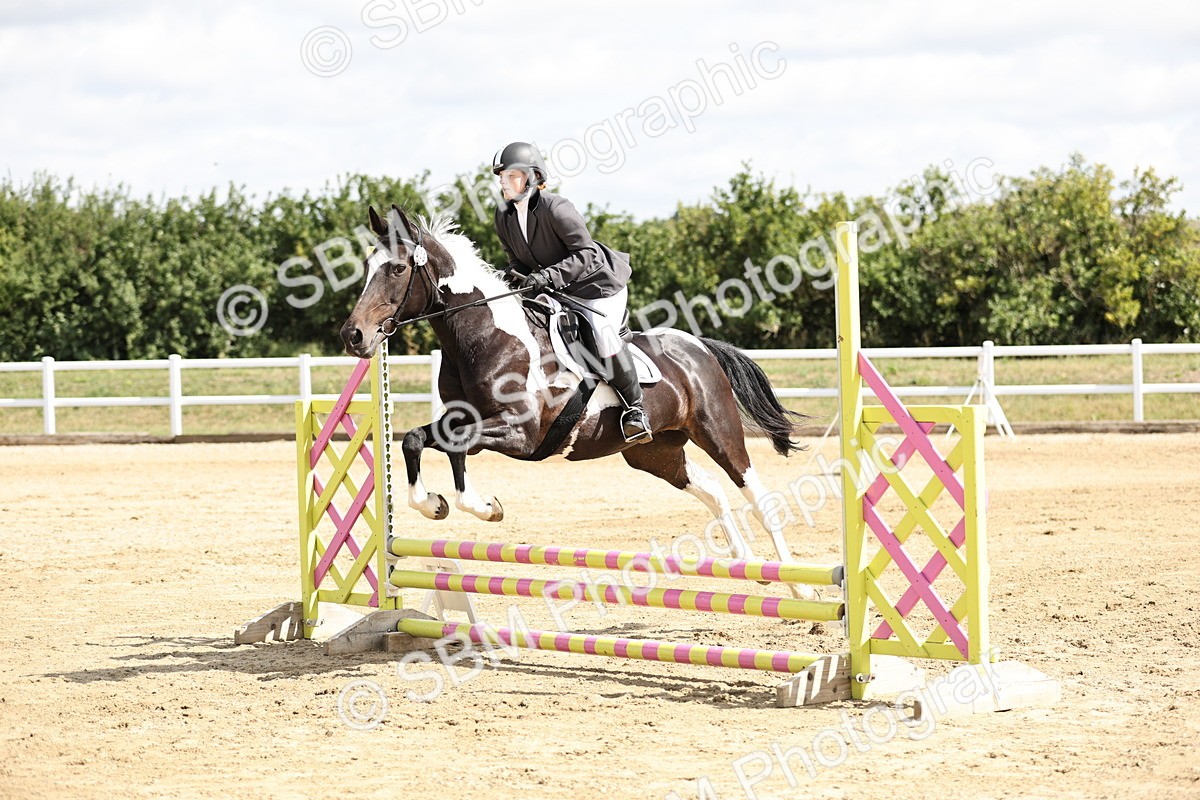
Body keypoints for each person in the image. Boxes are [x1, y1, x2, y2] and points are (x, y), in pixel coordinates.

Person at [491, 141, 651, 444]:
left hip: (597, 286)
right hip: (557, 289)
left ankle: (635, 409)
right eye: (501, 177)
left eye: (511, 176)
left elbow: (586, 253)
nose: (504, 182)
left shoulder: (556, 207)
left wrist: (547, 276)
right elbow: (515, 259)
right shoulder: (503, 216)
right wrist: (514, 277)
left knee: (603, 333)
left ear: (533, 177)